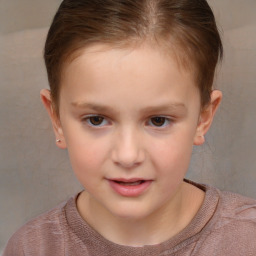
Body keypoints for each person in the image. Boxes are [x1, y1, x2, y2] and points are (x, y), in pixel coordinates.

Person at [3, 0, 256, 255]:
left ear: (203, 118)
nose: (127, 155)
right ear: (56, 118)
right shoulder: (31, 248)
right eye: (96, 120)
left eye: (158, 120)